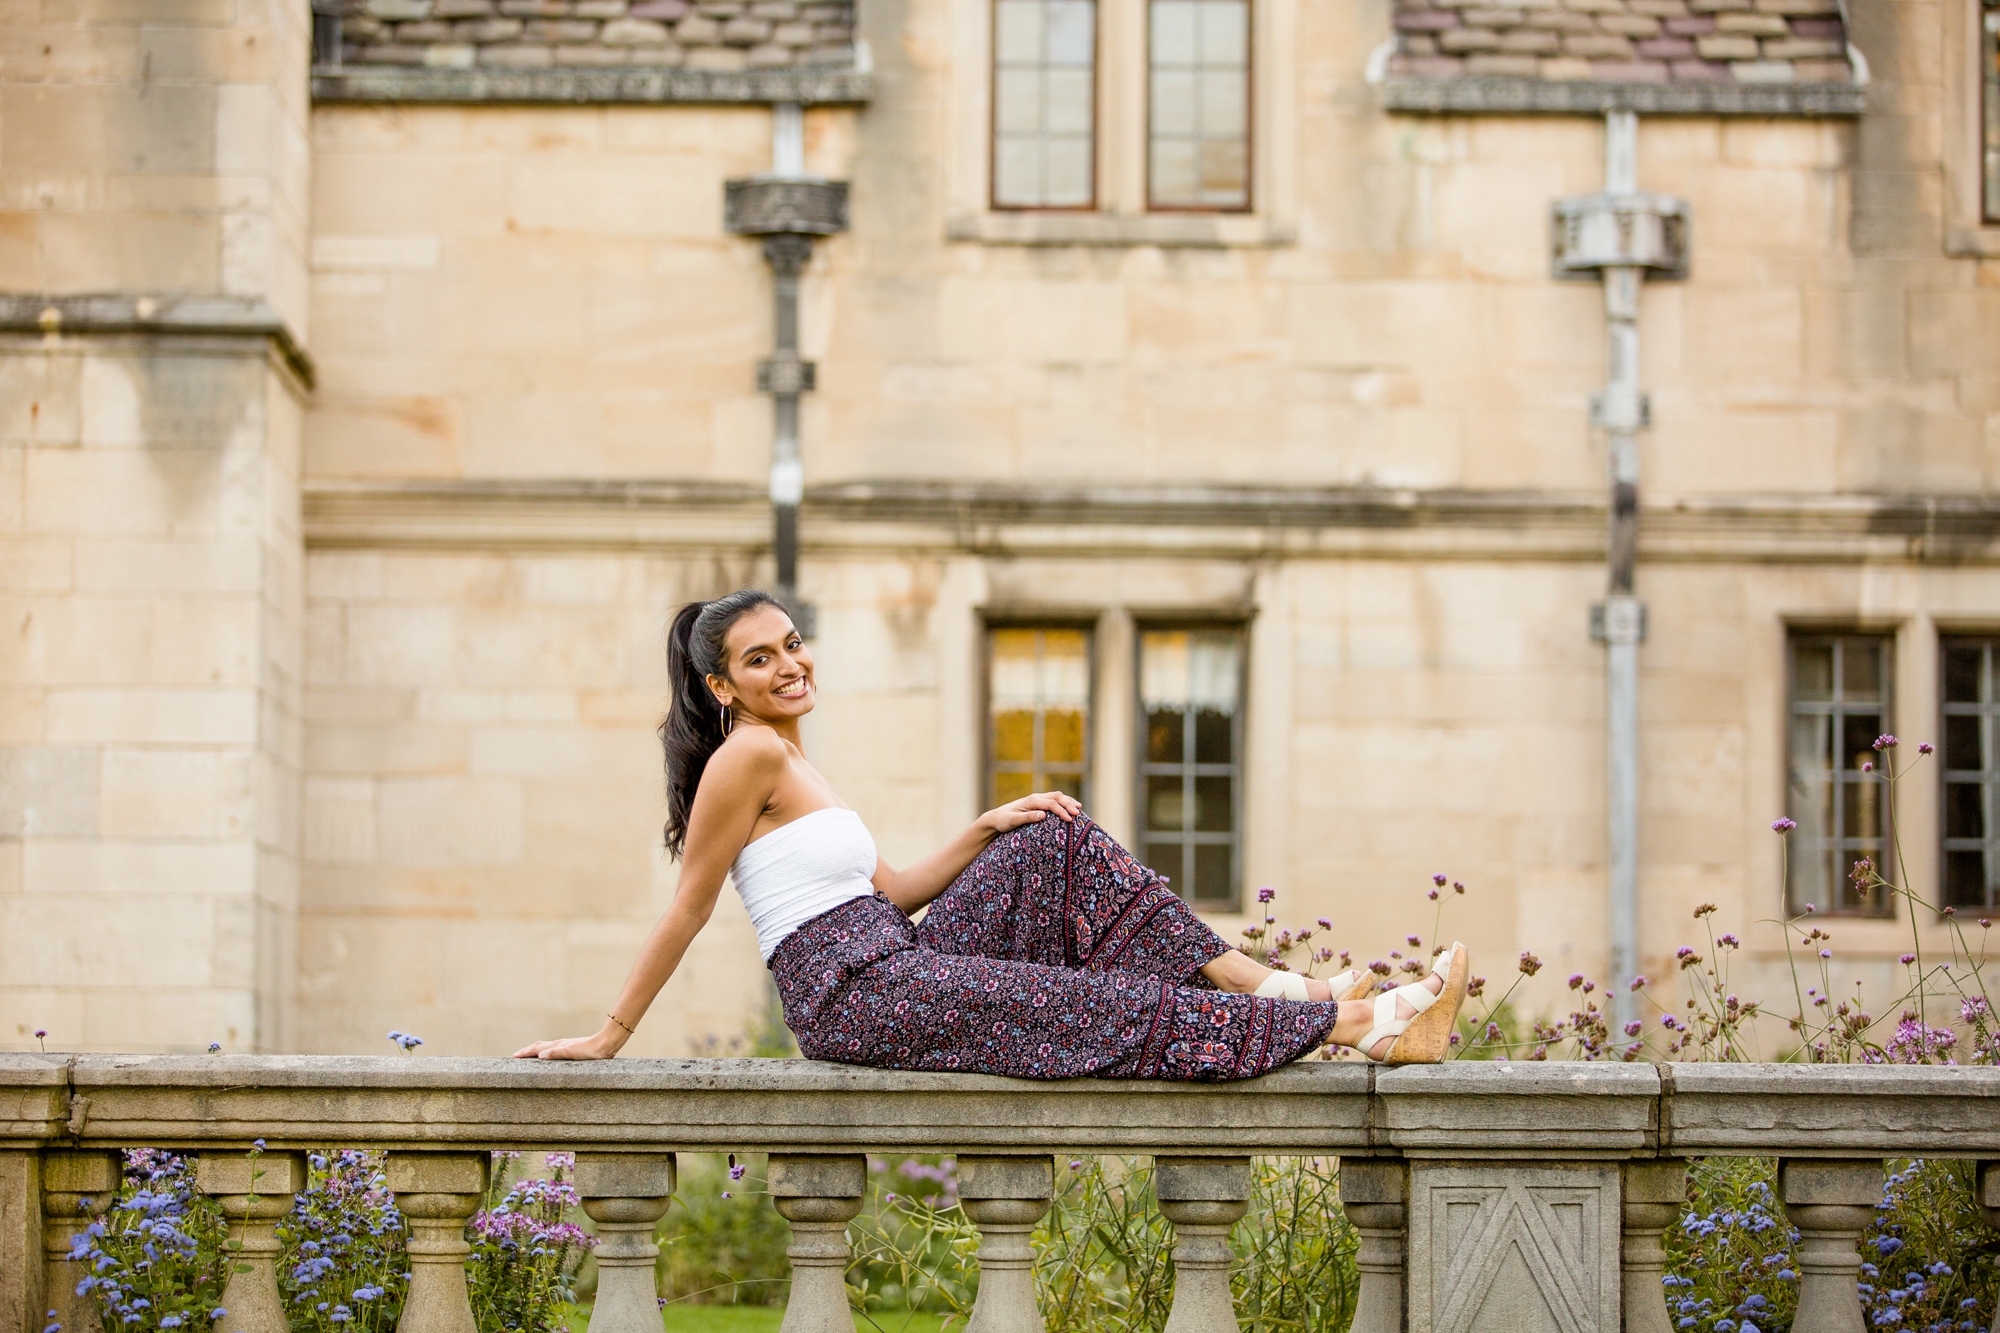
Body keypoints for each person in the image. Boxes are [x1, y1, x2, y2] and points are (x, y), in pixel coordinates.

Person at [515, 589, 1469, 1077]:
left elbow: (881, 892)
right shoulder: (747, 757)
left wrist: (982, 829)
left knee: (1053, 838)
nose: (789, 664)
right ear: (723, 686)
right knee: (1079, 1006)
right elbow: (688, 907)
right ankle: (1351, 1024)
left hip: (892, 955)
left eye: (793, 643)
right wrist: (611, 1034)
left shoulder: (793, 759)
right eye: (759, 659)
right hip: (850, 993)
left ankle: (1280, 985)